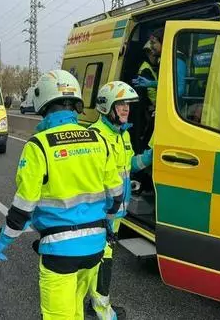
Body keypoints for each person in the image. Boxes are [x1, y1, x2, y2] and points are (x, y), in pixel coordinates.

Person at [0, 69, 124, 320]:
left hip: (59, 251)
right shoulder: (99, 140)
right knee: (75, 308)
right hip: (95, 247)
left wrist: (5, 239)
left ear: (43, 106)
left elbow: (24, 205)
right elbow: (116, 194)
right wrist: (104, 219)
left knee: (58, 315)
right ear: (76, 104)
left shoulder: (39, 145)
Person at [85, 81, 152, 320]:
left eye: (128, 105)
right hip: (101, 212)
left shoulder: (122, 135)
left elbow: (130, 165)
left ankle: (90, 302)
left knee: (99, 259)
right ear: (107, 106)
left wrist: (150, 156)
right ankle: (101, 310)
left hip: (116, 212)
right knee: (103, 260)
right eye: (121, 104)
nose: (126, 109)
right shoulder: (95, 136)